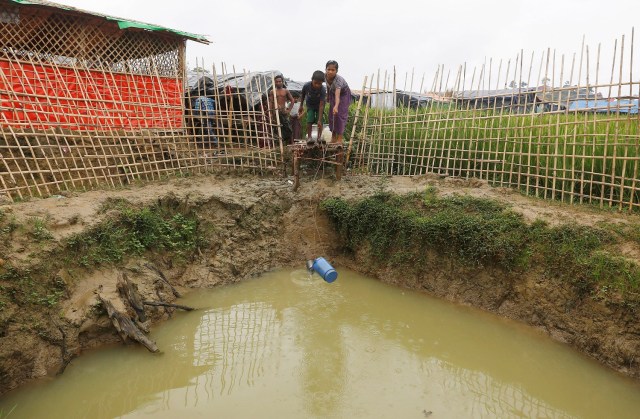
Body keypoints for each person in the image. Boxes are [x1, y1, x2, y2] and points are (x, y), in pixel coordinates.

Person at [324, 60, 351, 144]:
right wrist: (328, 96)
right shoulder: (325, 76)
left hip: (343, 94)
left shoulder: (338, 80)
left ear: (336, 71)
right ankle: (333, 137)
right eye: (328, 69)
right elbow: (328, 87)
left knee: (339, 115)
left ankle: (339, 138)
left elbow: (337, 95)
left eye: (333, 70)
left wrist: (336, 106)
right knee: (332, 115)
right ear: (326, 69)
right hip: (332, 93)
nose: (330, 72)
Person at [298, 70, 327, 143]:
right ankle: (309, 137)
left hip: (319, 106)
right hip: (310, 105)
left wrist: (319, 120)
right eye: (315, 83)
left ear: (322, 83)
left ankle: (319, 137)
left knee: (320, 122)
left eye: (319, 83)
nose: (317, 85)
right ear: (312, 79)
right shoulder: (306, 86)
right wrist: (301, 105)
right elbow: (303, 96)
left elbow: (321, 105)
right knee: (309, 120)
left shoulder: (323, 89)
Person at [271, 74, 294, 143]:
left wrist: (288, 110)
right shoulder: (272, 92)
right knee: (277, 128)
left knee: (288, 128)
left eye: (280, 81)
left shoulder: (286, 91)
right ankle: (279, 144)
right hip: (276, 113)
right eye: (277, 82)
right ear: (274, 82)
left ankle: (291, 143)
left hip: (284, 112)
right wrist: (271, 113)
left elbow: (292, 100)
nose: (278, 83)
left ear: (282, 82)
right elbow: (271, 103)